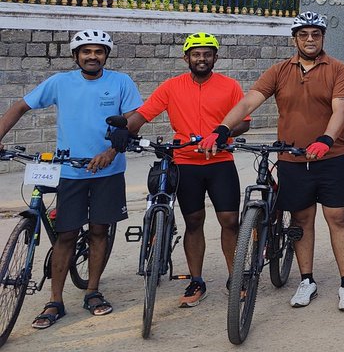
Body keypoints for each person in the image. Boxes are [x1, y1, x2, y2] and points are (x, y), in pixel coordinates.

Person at [203, 12, 344, 312]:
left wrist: (326, 139)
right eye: (303, 34)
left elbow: (340, 110)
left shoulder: (338, 70)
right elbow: (250, 101)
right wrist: (222, 129)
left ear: (323, 37)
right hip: (291, 158)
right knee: (301, 219)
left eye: (315, 34)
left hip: (331, 158)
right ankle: (307, 280)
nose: (310, 39)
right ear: (295, 39)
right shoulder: (279, 71)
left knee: (338, 218)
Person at [0, 29, 140, 328]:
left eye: (98, 51)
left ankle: (92, 291)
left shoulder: (120, 82)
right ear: (76, 56)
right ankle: (55, 301)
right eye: (86, 51)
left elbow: (132, 122)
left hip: (109, 170)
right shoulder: (60, 82)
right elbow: (20, 106)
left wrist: (112, 151)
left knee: (99, 231)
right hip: (70, 171)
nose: (92, 56)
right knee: (66, 234)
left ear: (106, 55)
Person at [120, 32, 250, 307]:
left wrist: (223, 135)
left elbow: (244, 122)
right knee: (194, 222)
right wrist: (124, 131)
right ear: (186, 58)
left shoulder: (230, 86)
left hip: (220, 162)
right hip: (186, 162)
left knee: (230, 221)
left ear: (215, 57)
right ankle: (197, 280)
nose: (201, 59)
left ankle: (234, 276)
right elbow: (144, 114)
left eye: (207, 54)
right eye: (196, 54)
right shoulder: (171, 86)